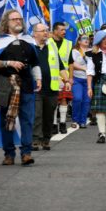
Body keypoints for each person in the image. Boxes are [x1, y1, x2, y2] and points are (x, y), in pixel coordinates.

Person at [0, 10, 41, 166]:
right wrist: (9, 63)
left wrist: (38, 78)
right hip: (6, 85)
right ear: (7, 22)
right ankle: (9, 154)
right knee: (7, 121)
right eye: (14, 19)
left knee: (27, 120)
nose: (18, 21)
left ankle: (26, 153)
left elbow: (35, 62)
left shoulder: (28, 41)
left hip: (26, 85)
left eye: (19, 19)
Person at [32, 23, 68, 151]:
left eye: (47, 31)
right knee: (37, 114)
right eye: (43, 31)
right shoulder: (31, 47)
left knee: (48, 116)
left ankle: (46, 140)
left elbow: (60, 66)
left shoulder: (51, 47)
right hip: (35, 88)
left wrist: (67, 80)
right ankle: (35, 140)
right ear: (35, 33)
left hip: (52, 88)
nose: (46, 33)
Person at [49, 22, 73, 134]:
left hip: (64, 76)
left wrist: (71, 77)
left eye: (65, 30)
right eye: (62, 30)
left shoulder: (68, 43)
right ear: (54, 31)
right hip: (51, 76)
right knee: (54, 100)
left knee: (64, 100)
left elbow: (70, 62)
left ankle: (62, 123)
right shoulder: (48, 42)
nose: (64, 32)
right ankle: (53, 124)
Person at [70, 34, 91, 129]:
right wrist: (83, 68)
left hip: (88, 80)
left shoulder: (92, 51)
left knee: (86, 101)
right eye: (84, 39)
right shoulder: (75, 51)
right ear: (79, 41)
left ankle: (83, 121)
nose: (86, 40)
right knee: (77, 98)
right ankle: (75, 120)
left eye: (88, 39)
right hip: (77, 78)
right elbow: (72, 63)